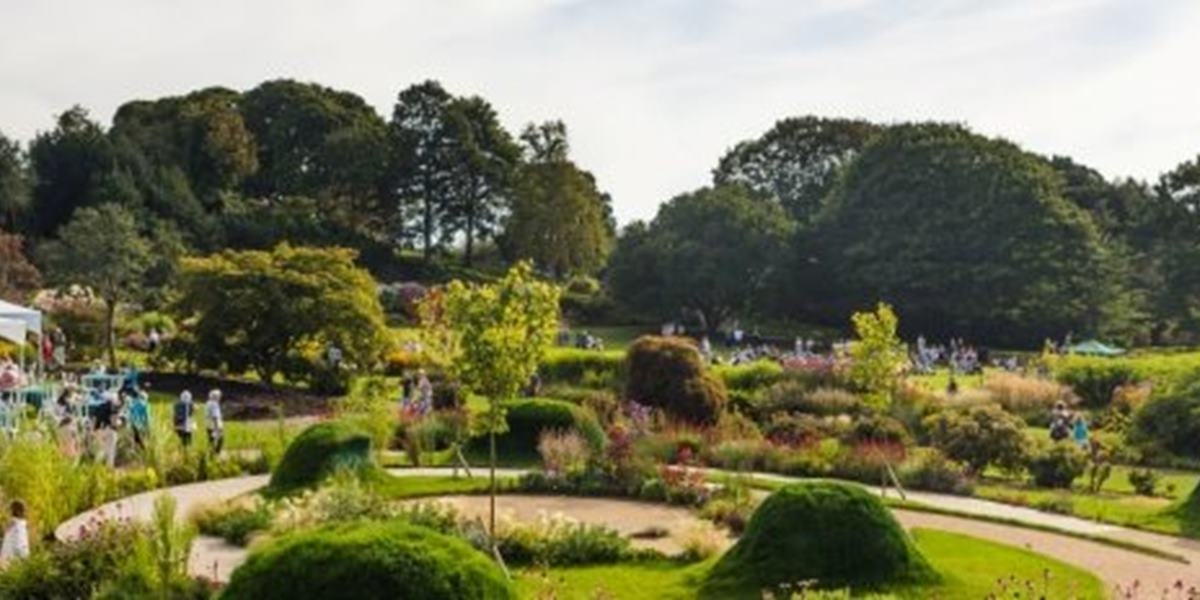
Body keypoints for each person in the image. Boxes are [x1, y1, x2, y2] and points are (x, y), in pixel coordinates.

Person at [0, 500, 30, 566]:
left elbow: (20, 543)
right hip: (13, 561)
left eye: (9, 510)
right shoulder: (19, 525)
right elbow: (22, 545)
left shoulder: (18, 525)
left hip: (11, 561)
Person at [205, 389, 224, 455]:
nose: (220, 398)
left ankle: (211, 453)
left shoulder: (208, 403)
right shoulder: (215, 404)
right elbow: (215, 416)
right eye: (219, 396)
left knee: (211, 440)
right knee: (220, 439)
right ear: (216, 397)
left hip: (208, 425)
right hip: (215, 426)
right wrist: (217, 427)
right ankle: (216, 453)